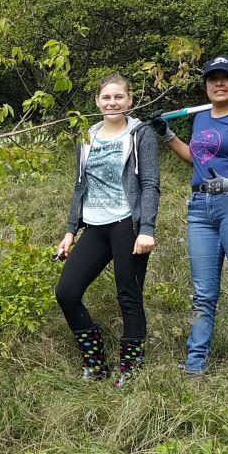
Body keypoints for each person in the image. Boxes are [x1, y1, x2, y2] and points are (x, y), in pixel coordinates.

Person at [150, 54, 228, 374]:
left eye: (226, 78)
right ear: (206, 84)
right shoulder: (202, 117)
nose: (219, 83)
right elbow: (196, 158)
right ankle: (195, 365)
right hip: (201, 209)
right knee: (203, 294)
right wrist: (167, 134)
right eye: (213, 78)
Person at [55, 73, 160, 386]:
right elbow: (79, 186)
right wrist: (70, 232)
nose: (112, 102)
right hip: (95, 225)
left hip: (127, 223)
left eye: (119, 97)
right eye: (106, 97)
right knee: (67, 292)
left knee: (128, 296)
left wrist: (147, 228)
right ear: (97, 102)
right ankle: (96, 363)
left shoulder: (140, 134)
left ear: (129, 101)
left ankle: (129, 368)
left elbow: (150, 184)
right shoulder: (87, 136)